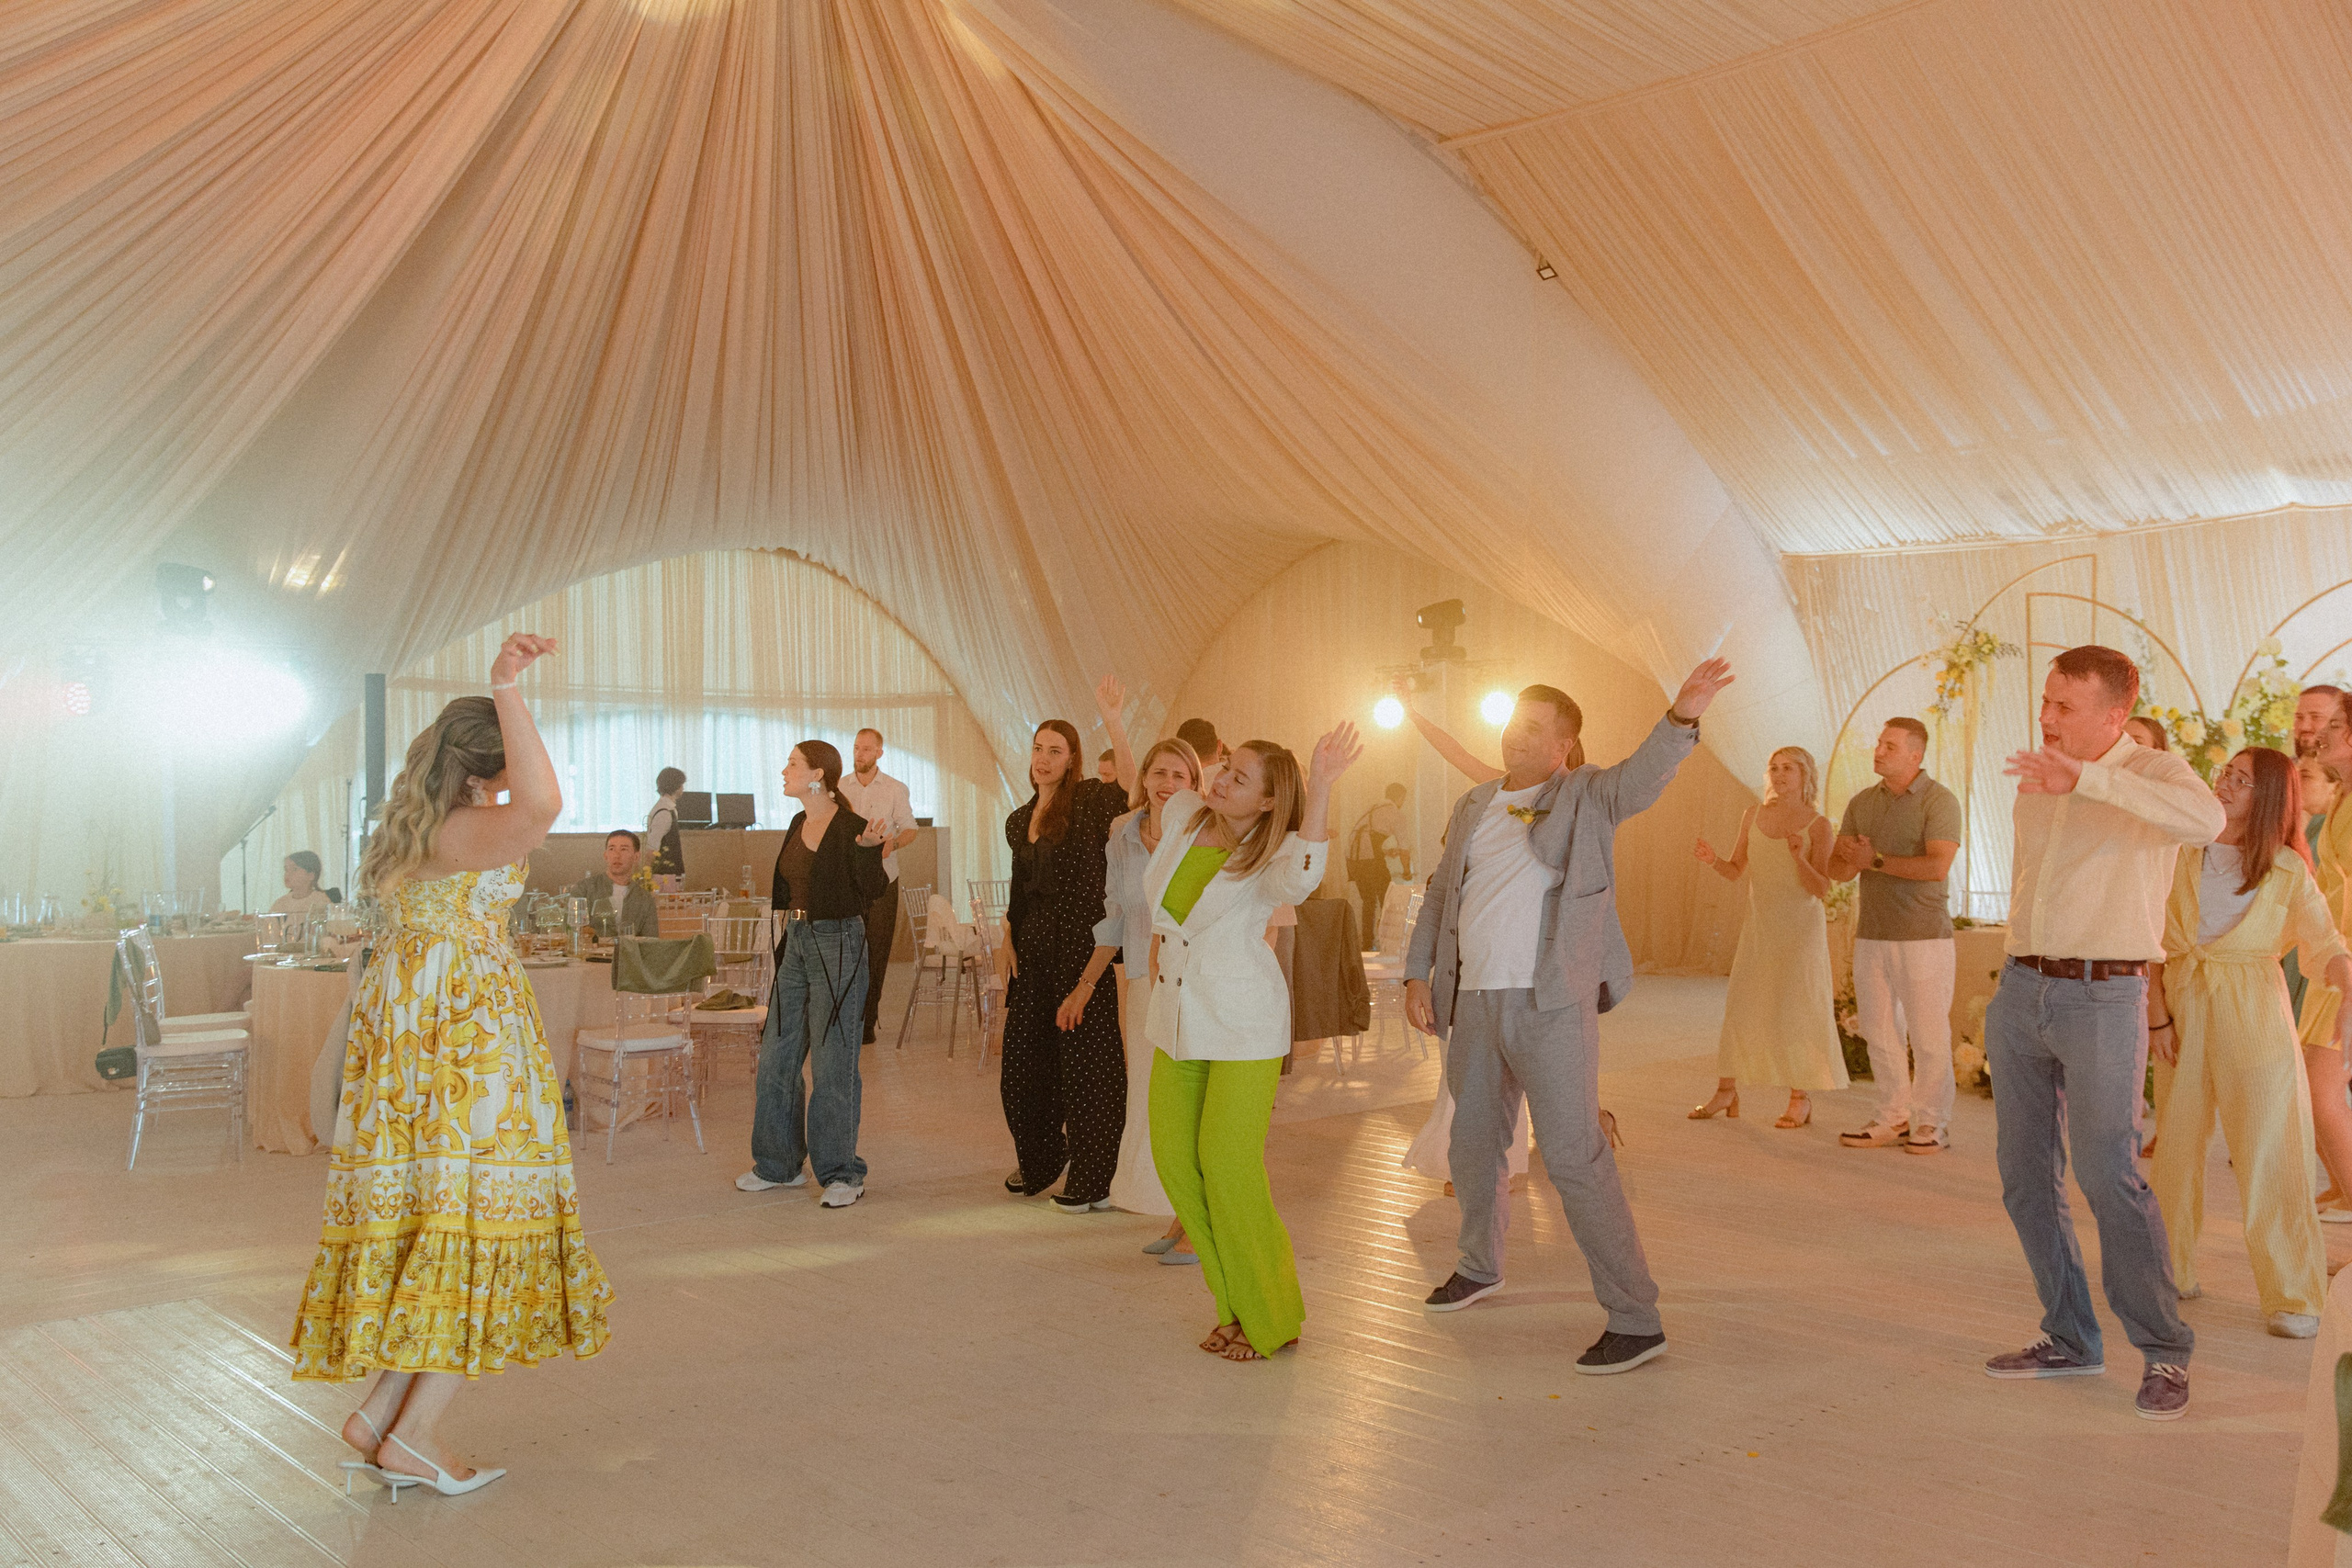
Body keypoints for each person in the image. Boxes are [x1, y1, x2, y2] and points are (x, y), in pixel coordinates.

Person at [293, 632, 610, 1497]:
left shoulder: (417, 831)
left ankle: (379, 1415)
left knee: (438, 1223)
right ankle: (419, 1437)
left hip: (418, 1053)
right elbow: (544, 801)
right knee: (476, 1225)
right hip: (465, 1051)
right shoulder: (472, 830)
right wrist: (507, 686)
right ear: (486, 766)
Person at [1407, 660, 1735, 1376]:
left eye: (1532, 728)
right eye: (1510, 723)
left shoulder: (1586, 795)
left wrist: (1681, 717)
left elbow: (1642, 776)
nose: (1513, 737)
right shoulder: (1474, 804)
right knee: (1472, 1147)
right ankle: (1479, 1264)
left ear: (1563, 745)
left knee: (1573, 1158)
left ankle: (1635, 1317)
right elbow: (1439, 896)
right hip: (1476, 1002)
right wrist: (1416, 971)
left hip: (1551, 1002)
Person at [1980, 645, 2220, 1422]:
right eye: (2045, 701)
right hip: (2022, 989)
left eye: (2064, 707)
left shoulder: (2151, 773)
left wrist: (2086, 777)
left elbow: (2209, 820)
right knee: (2022, 1177)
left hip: (2105, 996)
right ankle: (2070, 1336)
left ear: (2115, 715)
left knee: (2108, 1172)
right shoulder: (2038, 774)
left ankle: (2164, 1352)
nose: (2045, 718)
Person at [1144, 725, 1358, 1360]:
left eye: (1239, 777)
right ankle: (1232, 1301)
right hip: (1176, 1017)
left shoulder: (1276, 855)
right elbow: (1160, 780)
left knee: (1230, 1169)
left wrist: (1318, 785)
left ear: (1267, 801)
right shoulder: (1184, 814)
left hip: (1242, 1023)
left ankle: (1269, 1314)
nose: (1222, 780)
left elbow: (1305, 875)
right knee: (1178, 1165)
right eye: (1225, 766)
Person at [2148, 746, 2352, 1338]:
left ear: (2268, 798)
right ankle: (2169, 1270)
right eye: (2225, 774)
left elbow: (2326, 945)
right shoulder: (2177, 853)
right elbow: (2153, 943)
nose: (2225, 784)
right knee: (2177, 1147)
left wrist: (2347, 980)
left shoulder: (2288, 869)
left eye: (2241, 779)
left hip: (2256, 1013)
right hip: (2184, 1011)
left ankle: (2293, 1295)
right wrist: (2158, 1018)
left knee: (2272, 1149)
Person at [1001, 678, 1136, 1213]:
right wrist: (1007, 939)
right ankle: (1041, 1158)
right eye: (1038, 749)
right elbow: (1017, 888)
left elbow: (1132, 788)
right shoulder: (1018, 819)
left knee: (1088, 1066)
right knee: (1023, 1065)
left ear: (1072, 759)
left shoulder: (1089, 803)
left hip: (1081, 951)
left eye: (1054, 751)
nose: (1043, 758)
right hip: (1031, 955)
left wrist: (1113, 720)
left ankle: (1095, 1173)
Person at [736, 741, 890, 1207]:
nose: (783, 770)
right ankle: (778, 1165)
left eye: (792, 764)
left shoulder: (852, 827)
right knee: (777, 1054)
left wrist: (869, 850)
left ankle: (842, 1173)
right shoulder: (798, 822)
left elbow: (873, 889)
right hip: (798, 941)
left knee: (833, 1059)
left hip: (839, 941)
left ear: (817, 774)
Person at [1066, 738, 1203, 1259]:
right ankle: (1176, 1211)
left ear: (1194, 785)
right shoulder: (1121, 832)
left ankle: (1193, 1219)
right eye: (1160, 772)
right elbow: (1116, 915)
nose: (1168, 784)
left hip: (1191, 978)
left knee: (1187, 1099)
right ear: (1143, 777)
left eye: (1181, 776)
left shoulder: (1202, 829)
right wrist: (1085, 984)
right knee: (1150, 1098)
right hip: (1143, 982)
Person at [1822, 718, 1964, 1153]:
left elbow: (1936, 867)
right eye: (1879, 742)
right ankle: (1892, 1117)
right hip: (1872, 936)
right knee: (1879, 1033)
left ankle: (1932, 1122)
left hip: (1924, 938)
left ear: (1915, 755)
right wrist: (1847, 857)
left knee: (1928, 1036)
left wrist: (1875, 859)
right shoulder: (1862, 802)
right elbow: (1837, 870)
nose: (1878, 751)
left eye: (1889, 745)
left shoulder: (1940, 801)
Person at [1690, 746, 1847, 1129]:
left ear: (1804, 775)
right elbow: (1735, 870)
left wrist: (1799, 857)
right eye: (1773, 768)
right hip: (1760, 929)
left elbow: (1822, 888)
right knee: (1741, 1005)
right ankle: (1727, 1091)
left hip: (1800, 933)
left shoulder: (1818, 825)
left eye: (1788, 768)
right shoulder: (1752, 815)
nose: (1778, 775)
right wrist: (1712, 860)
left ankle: (1800, 1098)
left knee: (1797, 1009)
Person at [2298, 694, 2352, 1216]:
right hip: (2333, 960)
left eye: (2334, 725)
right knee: (2316, 1096)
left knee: (2320, 1094)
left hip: (2348, 965)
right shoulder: (2341, 797)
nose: (2320, 732)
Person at [837, 728, 920, 1045]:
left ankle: (867, 1021)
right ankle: (845, 1019)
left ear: (879, 753)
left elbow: (911, 829)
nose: (860, 754)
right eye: (856, 748)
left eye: (867, 749)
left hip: (885, 879)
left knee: (876, 951)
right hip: (847, 881)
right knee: (847, 951)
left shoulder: (895, 789)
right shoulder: (840, 787)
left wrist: (891, 844)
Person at [1346, 784, 1412, 952]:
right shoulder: (1395, 813)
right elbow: (1405, 848)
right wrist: (1406, 872)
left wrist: (1385, 852)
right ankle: (1390, 944)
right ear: (1400, 797)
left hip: (1353, 858)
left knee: (1368, 902)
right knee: (1387, 899)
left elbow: (1365, 837)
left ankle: (1367, 945)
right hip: (1369, 859)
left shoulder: (1373, 808)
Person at [563, 829, 657, 937]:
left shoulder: (644, 899)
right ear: (606, 855)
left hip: (628, 953)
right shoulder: (583, 890)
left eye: (623, 849)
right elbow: (569, 931)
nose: (617, 855)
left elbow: (651, 942)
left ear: (636, 857)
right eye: (612, 849)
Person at [645, 766, 686, 878]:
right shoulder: (664, 812)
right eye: (682, 785)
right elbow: (653, 846)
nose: (683, 788)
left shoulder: (668, 808)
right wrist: (647, 876)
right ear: (676, 786)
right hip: (665, 875)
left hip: (670, 872)